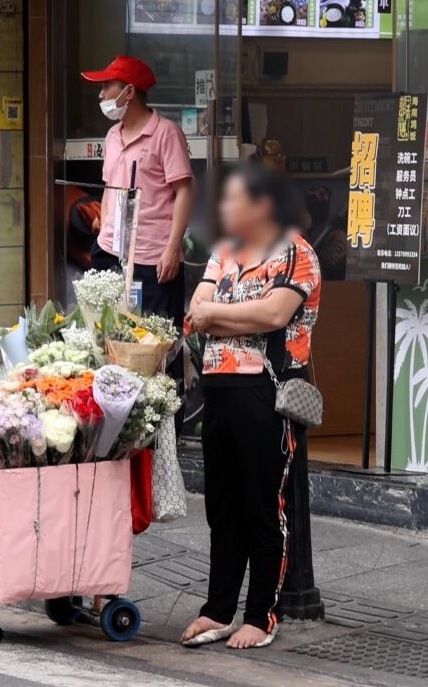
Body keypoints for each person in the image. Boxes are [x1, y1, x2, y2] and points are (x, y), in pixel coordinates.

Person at [179, 163, 322, 650]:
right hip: (218, 393)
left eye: (232, 201)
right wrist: (222, 317)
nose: (223, 211)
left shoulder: (297, 254)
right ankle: (217, 609)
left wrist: (217, 314)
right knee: (222, 509)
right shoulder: (226, 252)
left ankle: (262, 614)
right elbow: (194, 315)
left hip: (268, 394)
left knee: (264, 507)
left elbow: (274, 313)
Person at [80, 55, 194, 326]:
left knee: (157, 343)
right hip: (110, 253)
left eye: (107, 86)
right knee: (108, 335)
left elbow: (184, 192)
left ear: (129, 91)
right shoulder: (112, 136)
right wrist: (104, 227)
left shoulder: (166, 134)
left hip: (153, 259)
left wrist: (172, 249)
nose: (101, 94)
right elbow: (109, 186)